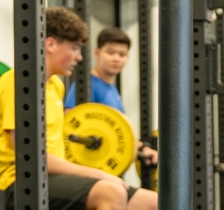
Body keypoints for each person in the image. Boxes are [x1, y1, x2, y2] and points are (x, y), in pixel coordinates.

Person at [0, 7, 157, 210]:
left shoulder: (55, 86)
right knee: (111, 193)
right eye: (75, 48)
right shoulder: (17, 83)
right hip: (21, 184)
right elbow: (31, 158)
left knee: (157, 205)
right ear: (51, 44)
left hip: (56, 179)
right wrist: (100, 175)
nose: (79, 57)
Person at [64, 27, 158, 167]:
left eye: (122, 54)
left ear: (127, 57)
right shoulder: (86, 84)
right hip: (90, 168)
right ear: (97, 52)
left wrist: (142, 147)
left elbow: (115, 133)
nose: (116, 58)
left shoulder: (112, 89)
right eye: (110, 52)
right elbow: (69, 124)